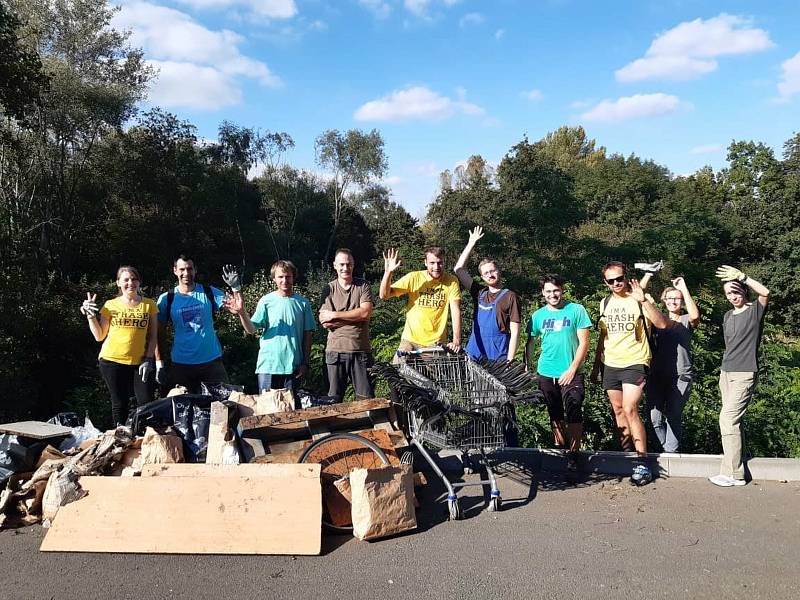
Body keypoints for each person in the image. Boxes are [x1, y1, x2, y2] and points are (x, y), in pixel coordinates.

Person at [590, 261, 667, 486]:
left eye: (619, 278)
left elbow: (661, 324)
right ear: (605, 282)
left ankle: (643, 463)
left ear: (626, 277)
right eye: (611, 280)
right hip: (611, 363)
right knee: (618, 410)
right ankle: (627, 457)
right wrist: (597, 365)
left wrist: (643, 299)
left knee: (630, 408)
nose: (616, 283)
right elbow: (603, 337)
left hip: (635, 361)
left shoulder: (639, 298)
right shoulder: (605, 303)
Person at [709, 265, 770, 487]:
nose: (733, 296)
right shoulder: (727, 315)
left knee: (727, 419)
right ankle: (730, 469)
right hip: (726, 373)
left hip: (745, 373)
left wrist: (743, 276)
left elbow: (765, 292)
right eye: (729, 293)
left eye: (736, 291)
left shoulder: (755, 310)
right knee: (734, 423)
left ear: (744, 291)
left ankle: (735, 475)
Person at [525, 274, 592, 471]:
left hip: (571, 372)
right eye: (548, 291)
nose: (553, 294)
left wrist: (572, 369)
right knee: (554, 412)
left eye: (556, 290)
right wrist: (528, 366)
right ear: (542, 293)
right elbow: (530, 342)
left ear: (562, 290)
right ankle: (561, 449)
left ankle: (573, 454)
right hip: (546, 371)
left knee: (573, 408)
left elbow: (584, 342)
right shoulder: (537, 316)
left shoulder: (576, 310)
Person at [228, 260, 315, 405]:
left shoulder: (303, 303)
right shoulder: (266, 301)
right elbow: (251, 329)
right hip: (268, 366)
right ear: (274, 278)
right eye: (280, 277)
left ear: (293, 277)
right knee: (267, 409)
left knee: (290, 411)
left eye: (288, 276)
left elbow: (308, 335)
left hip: (293, 367)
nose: (284, 280)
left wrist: (305, 363)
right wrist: (241, 313)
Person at [80, 266, 157, 425]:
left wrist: (149, 358)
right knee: (120, 403)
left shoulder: (149, 305)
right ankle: (120, 438)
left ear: (139, 282)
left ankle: (144, 438)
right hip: (112, 360)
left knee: (146, 402)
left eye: (134, 279)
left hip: (139, 362)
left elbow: (153, 336)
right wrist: (90, 316)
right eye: (126, 280)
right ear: (118, 283)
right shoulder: (110, 305)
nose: (130, 283)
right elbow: (99, 336)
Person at [156, 255, 231, 393]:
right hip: (181, 365)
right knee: (182, 410)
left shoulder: (209, 292)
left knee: (223, 405)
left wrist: (236, 287)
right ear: (175, 271)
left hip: (211, 362)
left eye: (189, 269)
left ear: (195, 270)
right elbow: (158, 333)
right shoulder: (167, 299)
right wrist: (159, 363)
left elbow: (235, 307)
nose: (186, 273)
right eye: (182, 269)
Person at [644, 277, 700, 453]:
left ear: (682, 300)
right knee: (654, 418)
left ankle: (671, 455)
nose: (673, 301)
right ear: (664, 301)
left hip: (681, 376)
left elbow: (695, 316)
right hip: (656, 376)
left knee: (673, 416)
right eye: (670, 298)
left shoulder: (685, 320)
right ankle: (665, 452)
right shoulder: (656, 321)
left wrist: (683, 288)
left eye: (677, 298)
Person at [379, 246, 461, 360]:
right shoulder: (414, 277)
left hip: (435, 343)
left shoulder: (451, 281)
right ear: (425, 263)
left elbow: (455, 310)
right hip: (410, 340)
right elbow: (384, 295)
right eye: (432, 263)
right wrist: (388, 273)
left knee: (434, 377)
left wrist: (456, 341)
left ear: (444, 262)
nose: (436, 267)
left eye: (440, 263)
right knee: (398, 371)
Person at [453, 226, 522, 362]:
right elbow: (458, 270)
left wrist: (509, 361)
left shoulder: (510, 296)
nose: (490, 275)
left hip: (498, 356)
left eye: (492, 271)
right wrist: (471, 243)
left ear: (499, 271)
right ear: (482, 277)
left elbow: (515, 333)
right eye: (486, 273)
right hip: (475, 352)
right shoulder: (479, 293)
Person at [318, 248, 375, 402]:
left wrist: (335, 315)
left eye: (348, 264)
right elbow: (325, 322)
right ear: (335, 265)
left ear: (353, 265)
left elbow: (365, 313)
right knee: (332, 402)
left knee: (367, 401)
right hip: (335, 353)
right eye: (342, 264)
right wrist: (355, 316)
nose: (345, 268)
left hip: (361, 352)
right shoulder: (328, 289)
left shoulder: (363, 286)